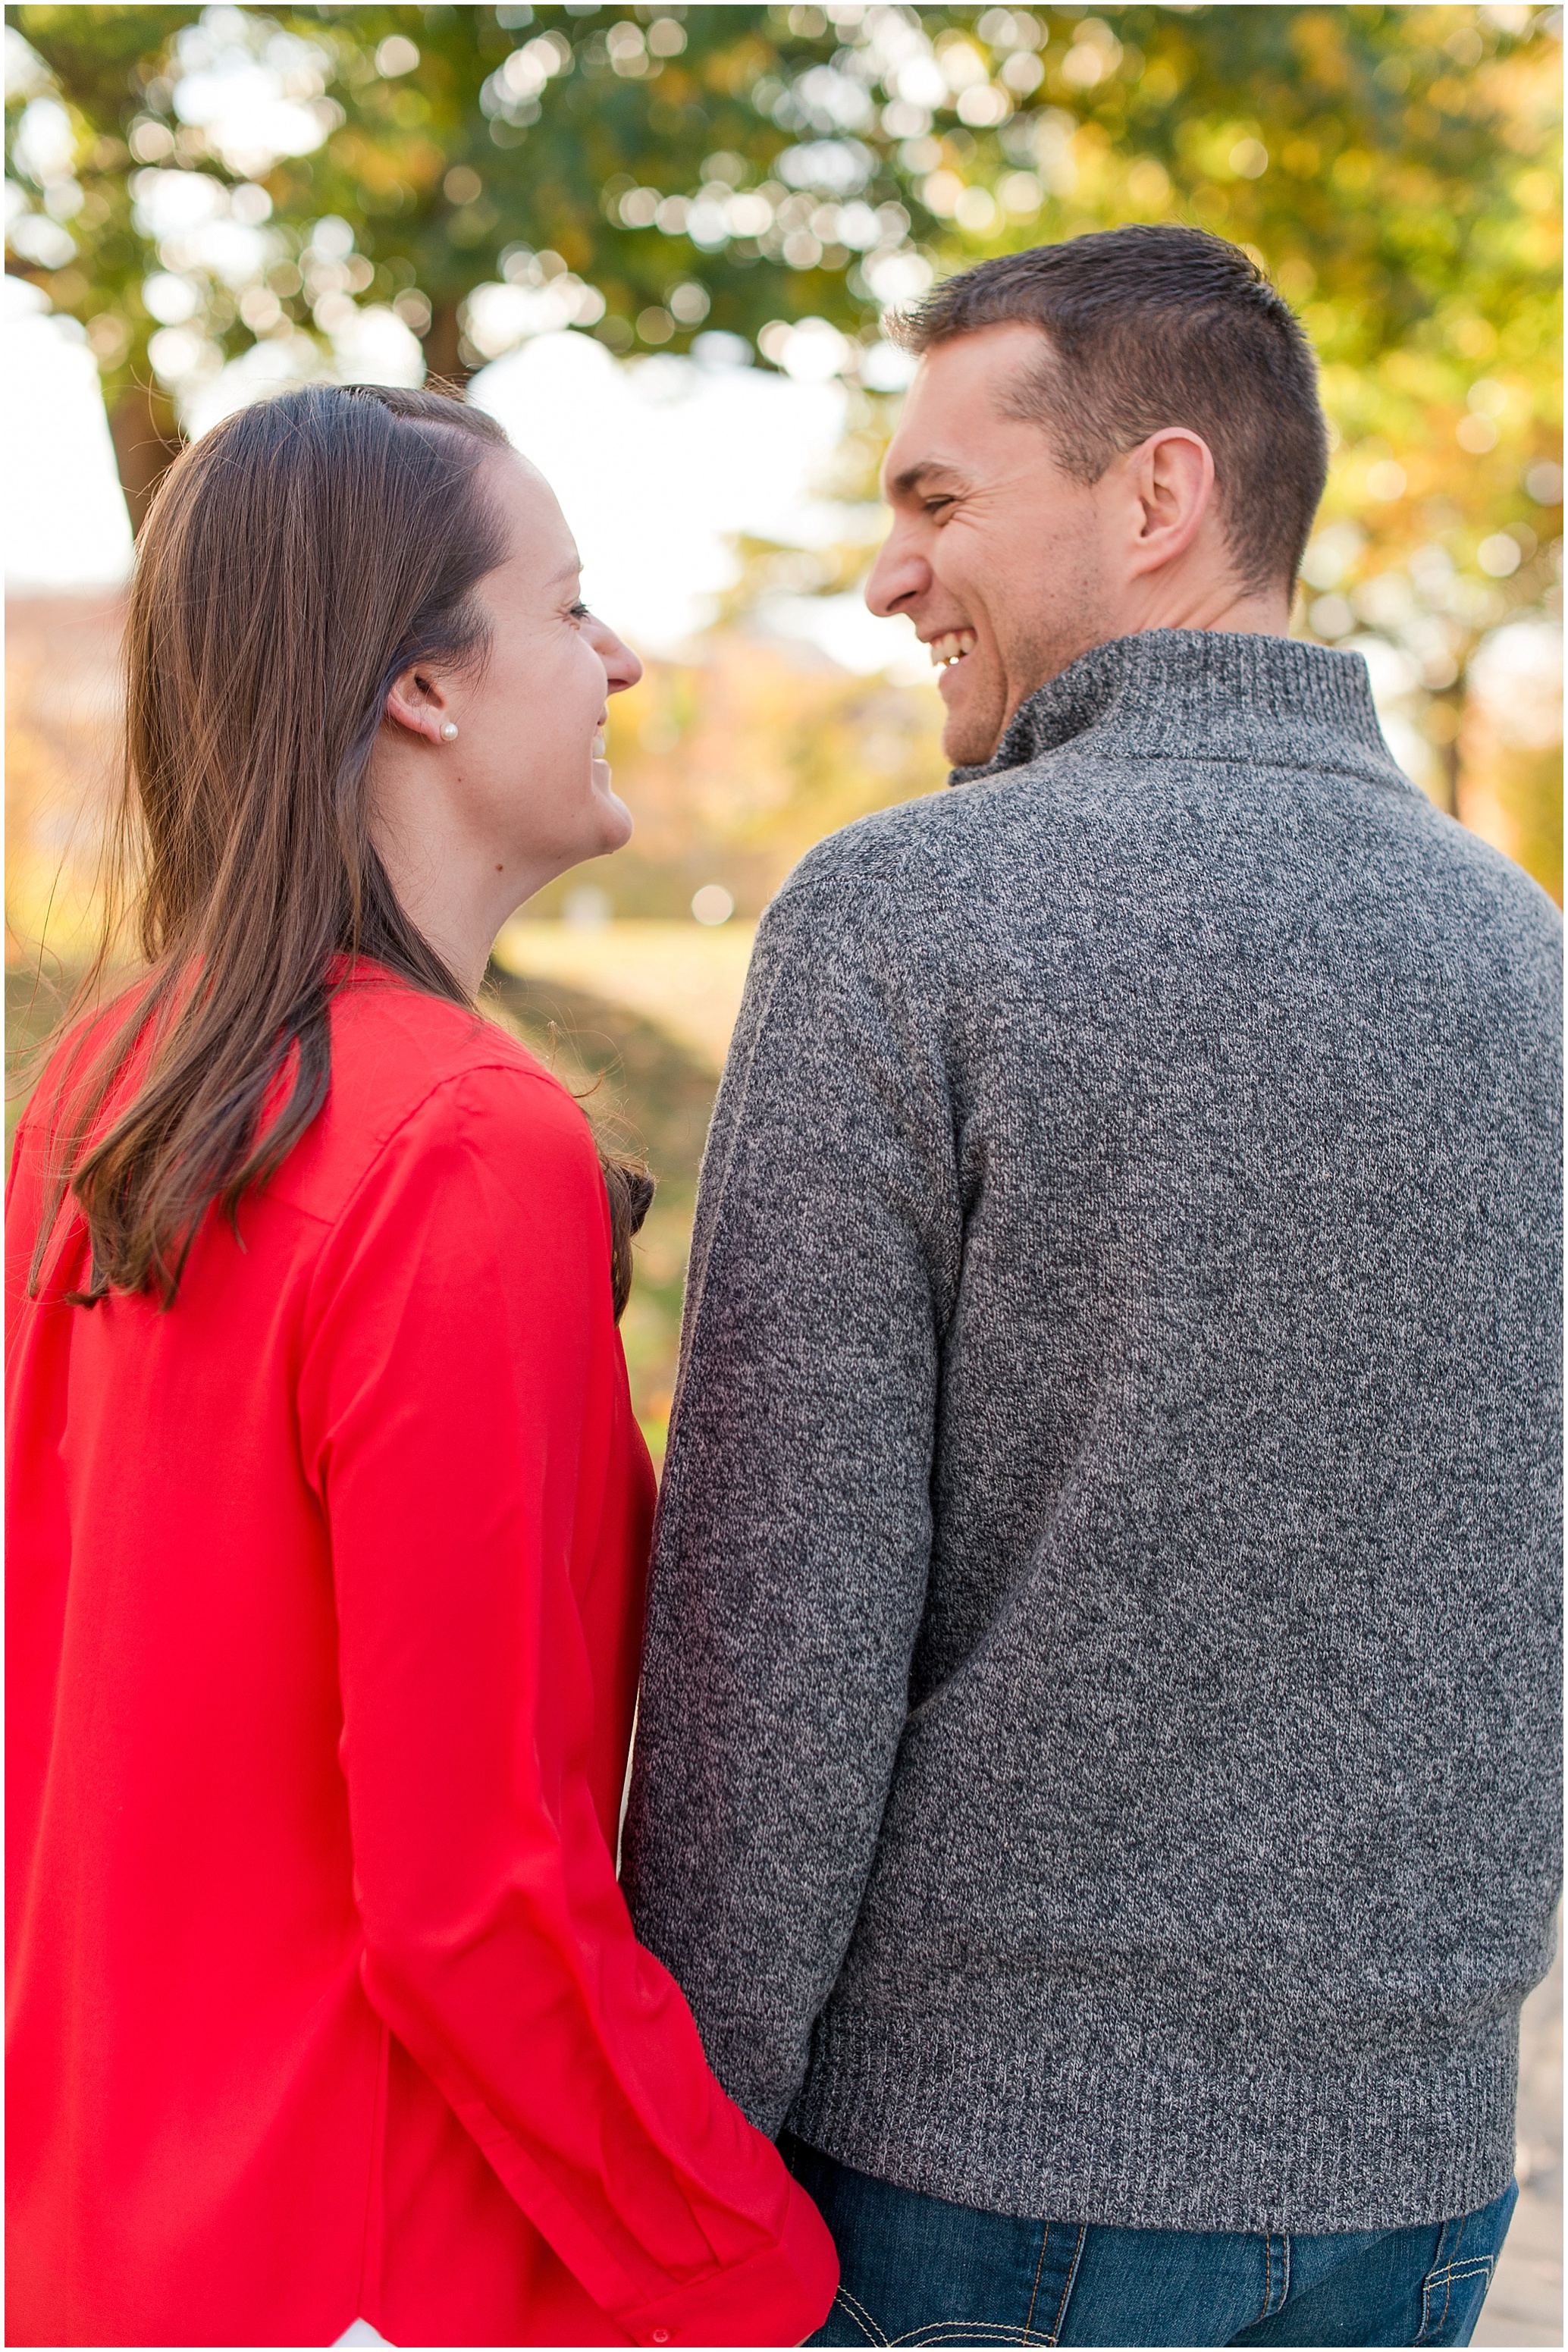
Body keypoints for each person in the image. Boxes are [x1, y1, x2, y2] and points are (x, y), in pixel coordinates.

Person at [622, 224, 1562, 2348]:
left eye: (937, 501)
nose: (885, 578)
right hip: (1410, 2190)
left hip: (973, 2189)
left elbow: (783, 1623)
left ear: (1156, 497)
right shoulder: (1526, 956)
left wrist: (675, 2152)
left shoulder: (903, 921)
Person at [5, 383, 837, 2349]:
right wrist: (740, 2268)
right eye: (566, 608)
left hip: (113, 2232)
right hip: (381, 2262)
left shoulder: (108, 1086)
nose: (620, 657)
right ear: (424, 691)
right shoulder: (463, 1147)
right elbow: (475, 1895)